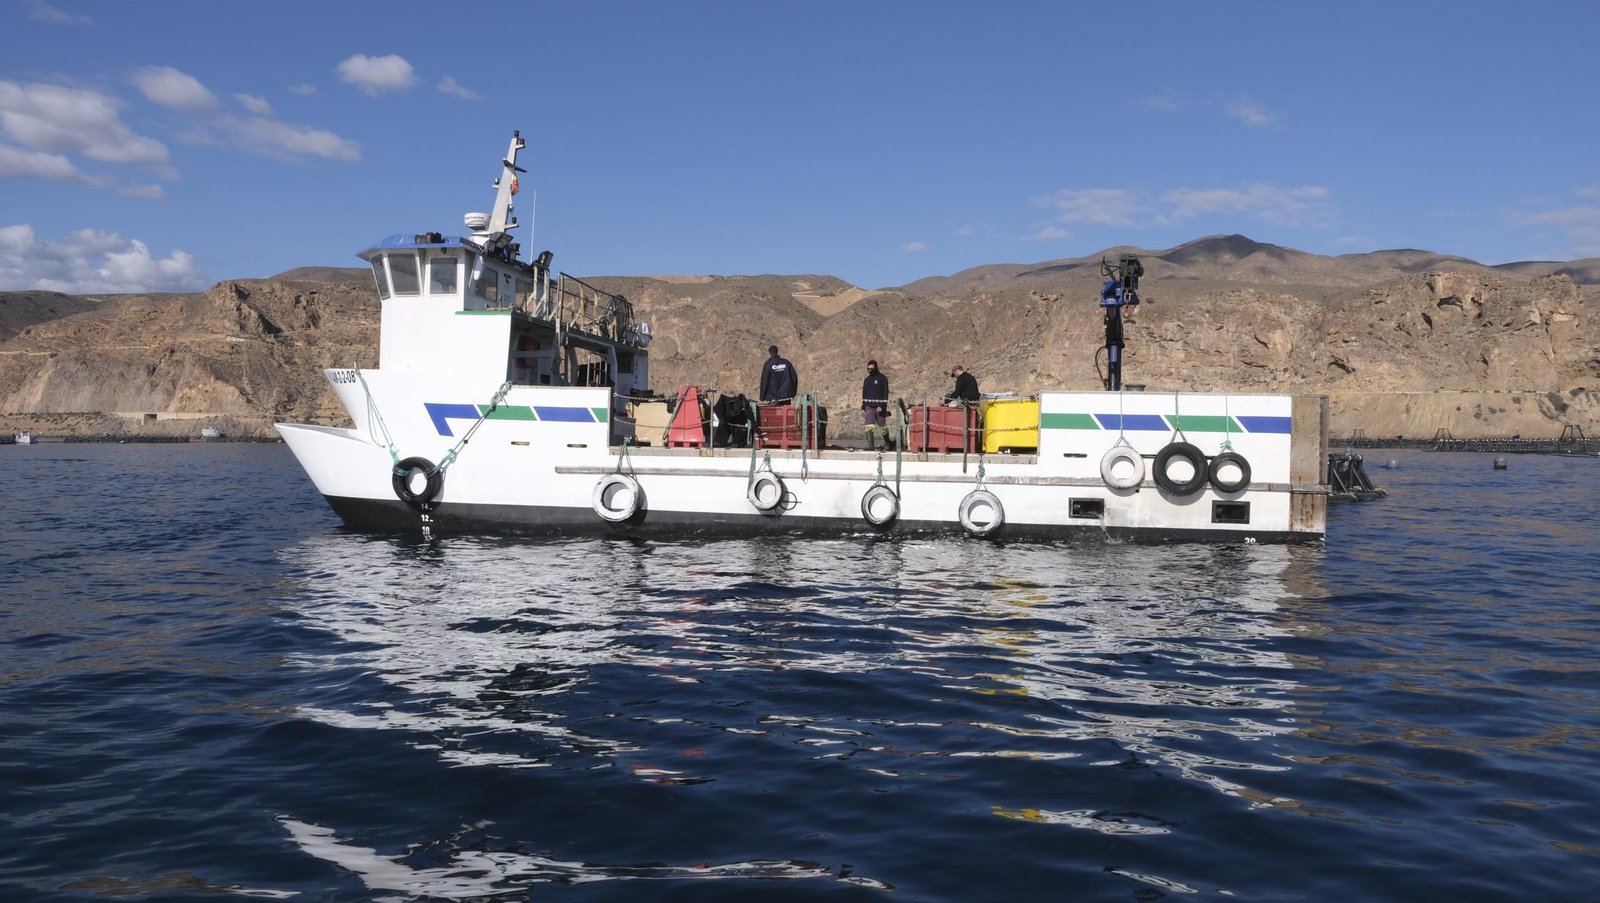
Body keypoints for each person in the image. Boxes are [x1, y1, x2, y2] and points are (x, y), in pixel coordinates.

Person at [861, 359, 891, 451]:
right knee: (869, 425)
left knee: (882, 424)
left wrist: (881, 405)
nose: (870, 371)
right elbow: (864, 394)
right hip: (869, 406)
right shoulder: (867, 380)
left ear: (876, 368)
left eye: (872, 369)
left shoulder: (882, 378)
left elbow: (885, 393)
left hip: (879, 406)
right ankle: (871, 446)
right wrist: (863, 407)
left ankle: (887, 442)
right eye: (868, 369)